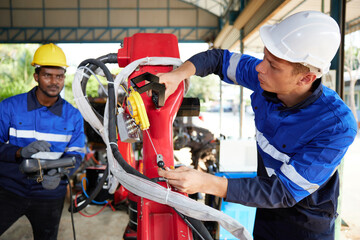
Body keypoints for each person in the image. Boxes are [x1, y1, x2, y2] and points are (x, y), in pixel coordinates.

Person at [157, 11, 357, 240]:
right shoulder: (268, 80)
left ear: (306, 79)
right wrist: (178, 75)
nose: (260, 68)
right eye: (264, 57)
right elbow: (219, 60)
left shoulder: (336, 125)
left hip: (307, 224)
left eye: (273, 65)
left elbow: (284, 191)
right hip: (267, 211)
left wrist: (205, 182)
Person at [0, 43, 85, 240]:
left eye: (60, 76)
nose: (54, 82)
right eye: (48, 75)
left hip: (50, 192)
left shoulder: (73, 116)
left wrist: (61, 173)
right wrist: (20, 152)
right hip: (9, 189)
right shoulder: (9, 108)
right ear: (36, 76)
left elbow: (77, 155)